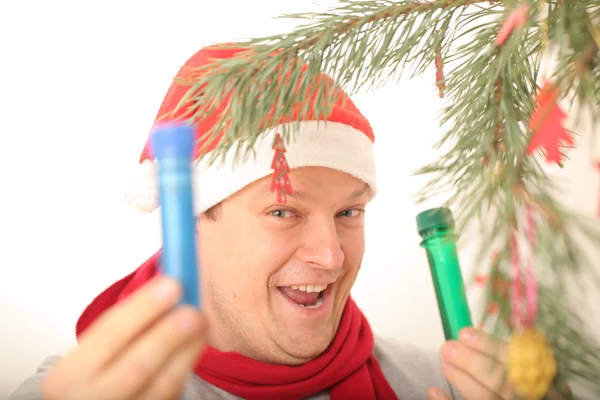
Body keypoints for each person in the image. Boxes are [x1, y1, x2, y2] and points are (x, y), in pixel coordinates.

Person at [10, 44, 512, 400]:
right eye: (282, 211)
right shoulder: (81, 393)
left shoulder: (445, 385)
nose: (331, 255)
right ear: (195, 221)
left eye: (349, 212)